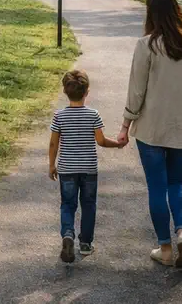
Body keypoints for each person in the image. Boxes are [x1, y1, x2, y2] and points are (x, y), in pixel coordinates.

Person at [117, 0, 182, 269]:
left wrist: (125, 125)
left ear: (151, 14)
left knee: (157, 187)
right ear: (177, 12)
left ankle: (164, 248)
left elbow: (136, 91)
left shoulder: (146, 45)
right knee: (178, 182)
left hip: (150, 129)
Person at [49, 69, 127, 264]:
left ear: (65, 91)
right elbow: (100, 141)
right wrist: (117, 144)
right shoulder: (93, 115)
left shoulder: (59, 116)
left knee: (68, 204)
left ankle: (67, 235)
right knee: (88, 205)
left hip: (67, 169)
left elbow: (53, 143)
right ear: (87, 92)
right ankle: (85, 244)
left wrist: (52, 164)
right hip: (89, 170)